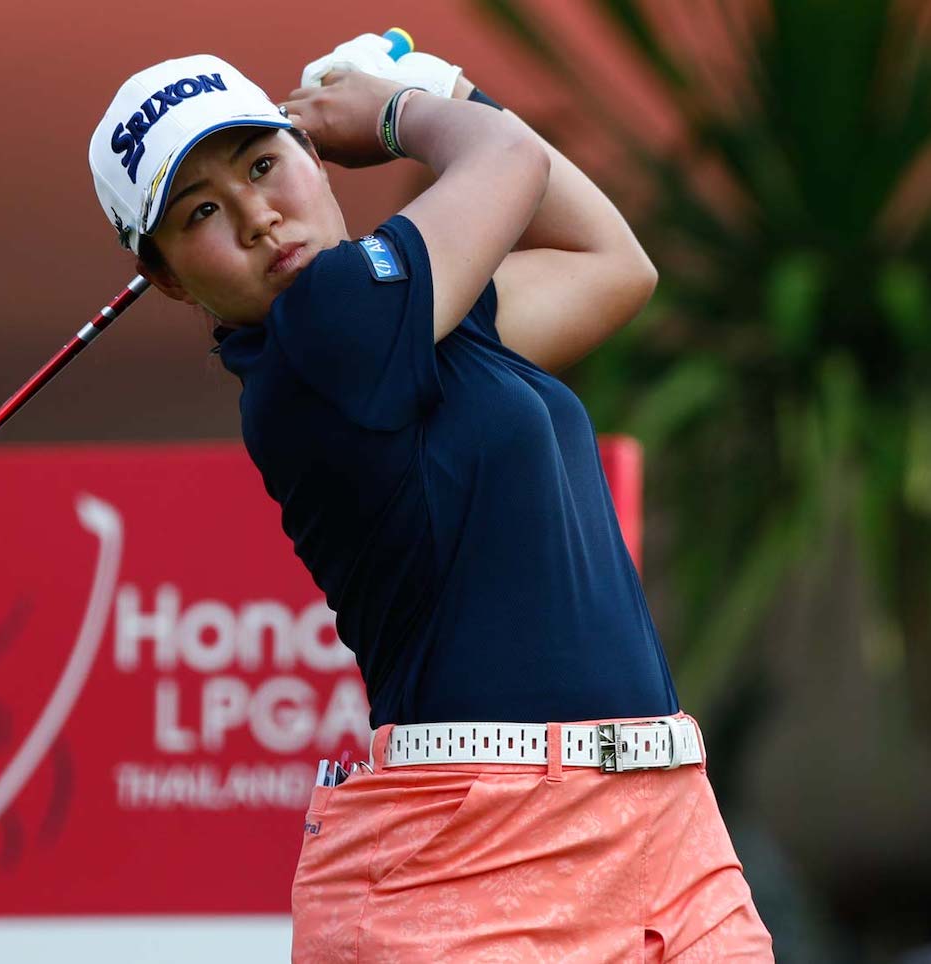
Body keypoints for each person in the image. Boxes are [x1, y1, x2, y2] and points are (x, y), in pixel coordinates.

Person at [88, 32, 774, 962]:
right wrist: (402, 108)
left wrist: (451, 87)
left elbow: (614, 263)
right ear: (167, 278)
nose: (256, 215)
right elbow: (511, 159)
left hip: (665, 818)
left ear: (311, 163)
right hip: (475, 855)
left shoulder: (425, 328)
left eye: (262, 163)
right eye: (203, 210)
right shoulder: (323, 334)